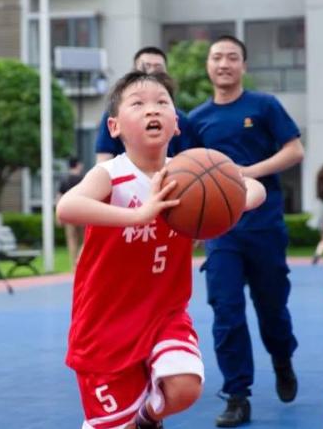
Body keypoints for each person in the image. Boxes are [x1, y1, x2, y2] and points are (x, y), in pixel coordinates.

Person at [58, 70, 266, 429]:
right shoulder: (110, 174)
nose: (152, 110)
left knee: (185, 387)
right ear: (114, 127)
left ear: (177, 124)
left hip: (163, 315)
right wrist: (138, 214)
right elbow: (66, 207)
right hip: (105, 325)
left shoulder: (190, 174)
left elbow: (253, 188)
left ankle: (147, 418)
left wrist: (234, 201)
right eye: (138, 104)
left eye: (162, 102)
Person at [188, 35, 305, 427]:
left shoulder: (264, 106)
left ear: (243, 65)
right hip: (221, 230)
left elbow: (294, 150)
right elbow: (187, 170)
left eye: (232, 57)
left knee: (272, 309)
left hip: (264, 224)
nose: (224, 63)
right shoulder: (197, 119)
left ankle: (282, 358)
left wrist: (245, 173)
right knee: (225, 309)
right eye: (217, 57)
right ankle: (237, 395)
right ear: (208, 66)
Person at [95, 46, 197, 163]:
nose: (151, 71)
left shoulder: (179, 117)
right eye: (146, 66)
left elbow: (186, 160)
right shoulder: (115, 114)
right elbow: (104, 157)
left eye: (158, 68)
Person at [57, 157, 85, 270]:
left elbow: (59, 197)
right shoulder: (83, 179)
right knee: (84, 239)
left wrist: (58, 215)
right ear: (78, 165)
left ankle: (73, 264)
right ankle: (80, 261)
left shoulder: (65, 179)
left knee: (71, 239)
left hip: (69, 214)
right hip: (82, 213)